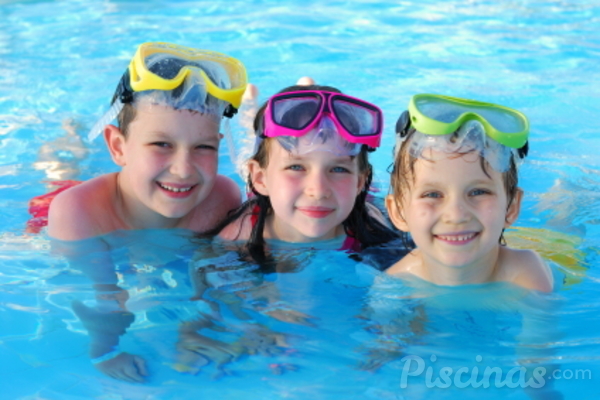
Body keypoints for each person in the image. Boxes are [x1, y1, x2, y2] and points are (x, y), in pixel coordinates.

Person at [47, 42, 247, 240]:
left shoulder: (222, 200)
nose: (183, 170)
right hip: (52, 213)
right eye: (161, 144)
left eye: (204, 146)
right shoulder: (80, 213)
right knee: (59, 182)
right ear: (118, 147)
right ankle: (68, 146)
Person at [202, 84, 400, 266]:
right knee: (247, 149)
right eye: (296, 167)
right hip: (266, 199)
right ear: (261, 179)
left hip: (358, 199)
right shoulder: (242, 235)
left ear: (359, 183)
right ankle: (249, 107)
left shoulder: (370, 227)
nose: (318, 191)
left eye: (339, 169)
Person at [384, 94, 553, 292]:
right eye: (432, 194)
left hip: (556, 251)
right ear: (398, 212)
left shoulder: (525, 274)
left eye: (479, 192)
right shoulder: (396, 284)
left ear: (511, 207)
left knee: (562, 226)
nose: (456, 215)